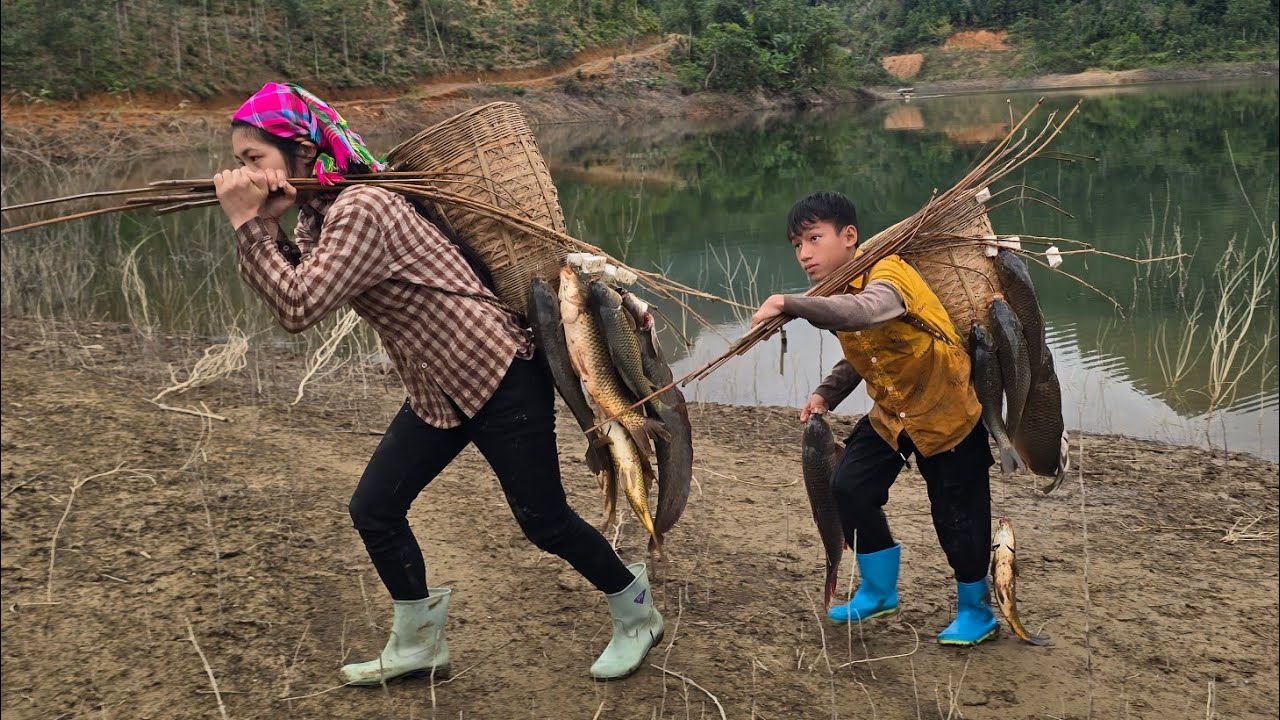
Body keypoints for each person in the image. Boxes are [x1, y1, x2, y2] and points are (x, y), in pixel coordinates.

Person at [213, 82, 663, 684]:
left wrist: (247, 226)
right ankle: (419, 642)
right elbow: (297, 282)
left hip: (496, 373)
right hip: (440, 391)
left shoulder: (361, 209)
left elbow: (298, 307)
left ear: (300, 151)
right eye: (240, 162)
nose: (243, 173)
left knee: (545, 520)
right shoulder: (325, 211)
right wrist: (267, 223)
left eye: (253, 160)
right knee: (375, 508)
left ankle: (638, 614)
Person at [750, 191, 997, 646]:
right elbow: (864, 352)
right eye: (796, 245)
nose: (804, 253)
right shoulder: (835, 289)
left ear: (849, 236)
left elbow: (867, 313)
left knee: (956, 517)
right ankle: (880, 590)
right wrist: (825, 394)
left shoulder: (888, 274)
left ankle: (977, 611)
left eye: (813, 238)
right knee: (848, 486)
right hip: (893, 412)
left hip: (946, 411)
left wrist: (792, 303)